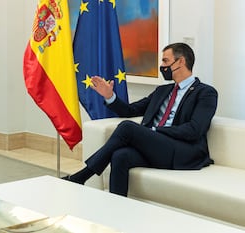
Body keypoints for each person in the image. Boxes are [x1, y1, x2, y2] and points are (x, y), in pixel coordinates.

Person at [63, 42, 218, 196]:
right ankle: (116, 207)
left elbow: (195, 130)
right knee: (120, 155)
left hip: (182, 150)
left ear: (181, 62)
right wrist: (110, 96)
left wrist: (155, 131)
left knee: (127, 127)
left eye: (165, 61)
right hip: (157, 148)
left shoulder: (205, 93)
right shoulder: (162, 91)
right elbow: (131, 110)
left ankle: (83, 175)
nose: (162, 66)